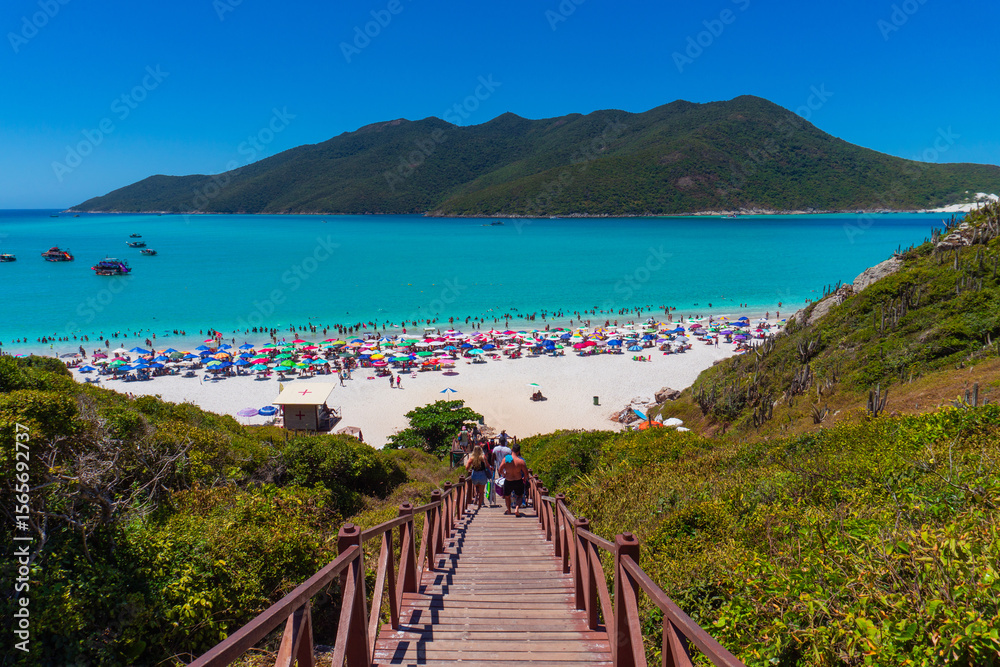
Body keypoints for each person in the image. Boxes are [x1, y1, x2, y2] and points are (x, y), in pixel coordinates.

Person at [500, 443, 528, 517]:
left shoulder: (506, 459)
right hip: (518, 480)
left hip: (508, 480)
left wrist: (504, 474)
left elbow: (500, 470)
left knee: (507, 496)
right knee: (519, 496)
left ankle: (509, 510)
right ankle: (516, 508)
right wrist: (524, 478)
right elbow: (526, 473)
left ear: (511, 450)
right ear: (518, 451)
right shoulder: (521, 461)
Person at [490, 438, 512, 508]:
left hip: (499, 467)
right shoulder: (508, 450)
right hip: (506, 466)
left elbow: (493, 458)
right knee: (506, 480)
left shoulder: (496, 449)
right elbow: (510, 459)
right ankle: (506, 494)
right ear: (505, 442)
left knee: (501, 480)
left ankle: (503, 493)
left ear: (499, 442)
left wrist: (492, 466)